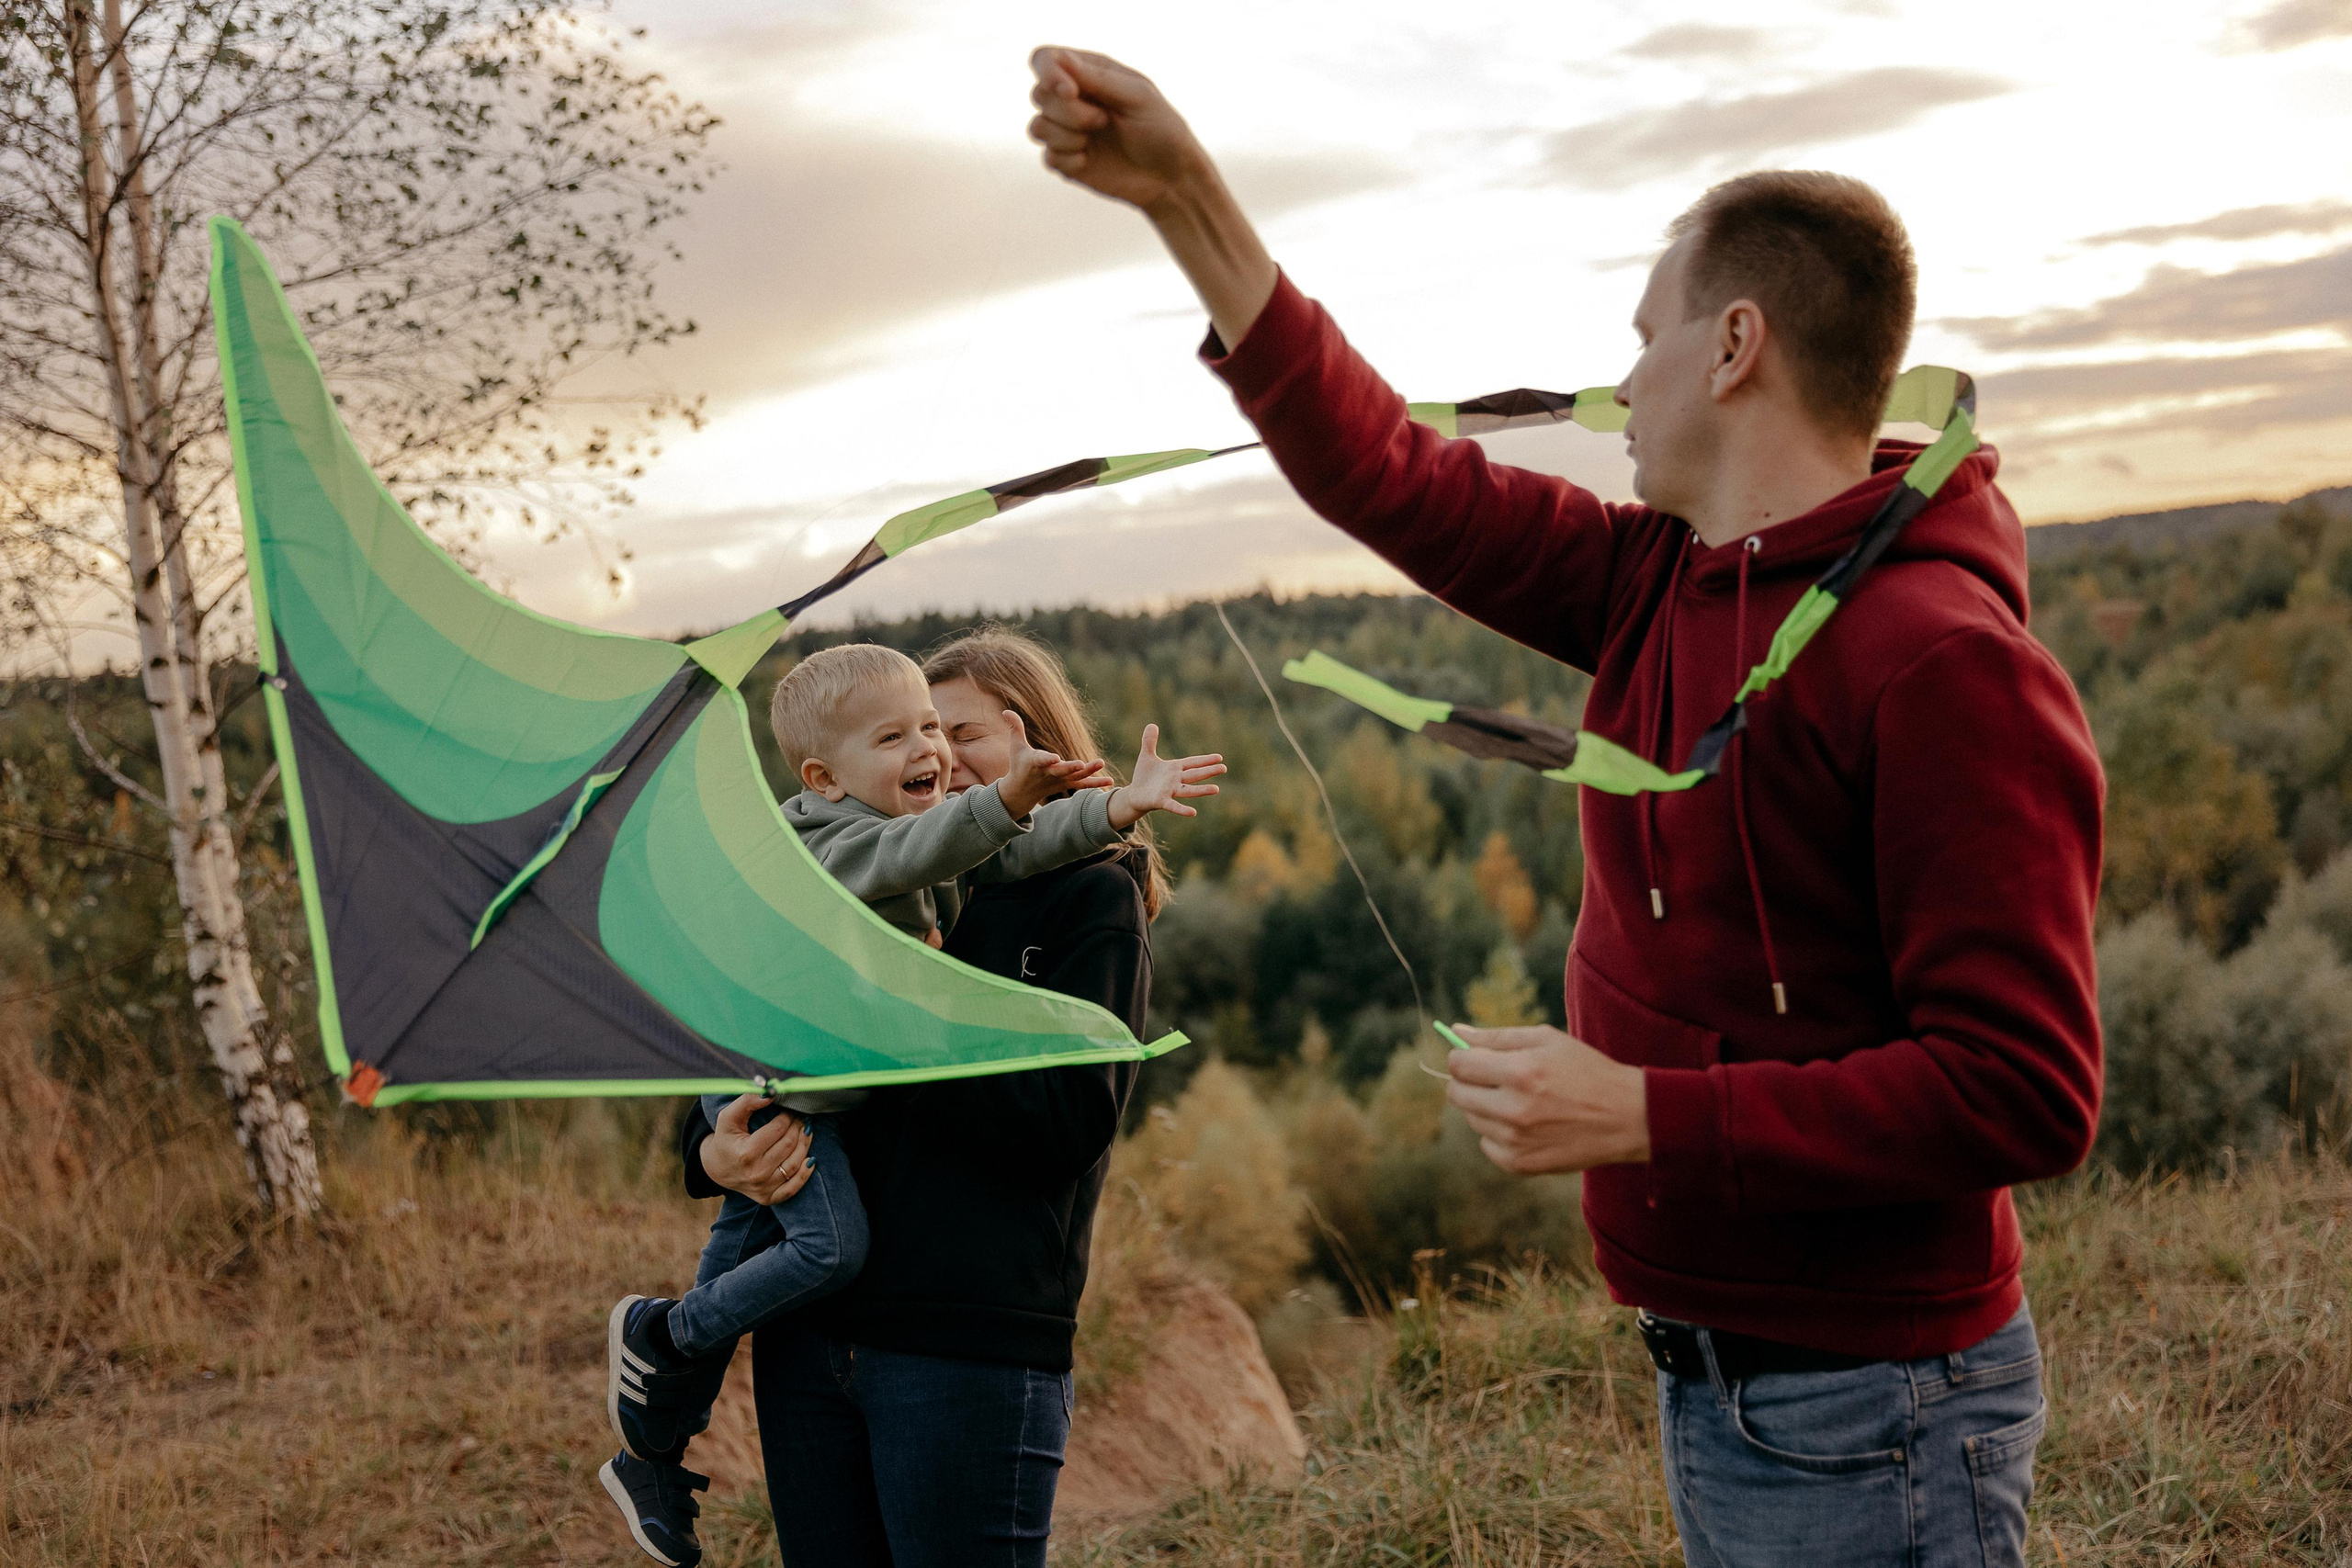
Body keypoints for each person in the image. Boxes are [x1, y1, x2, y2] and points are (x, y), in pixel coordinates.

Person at [1024, 47, 2104, 1568]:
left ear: (1737, 344)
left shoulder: (1946, 665)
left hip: (1879, 1407)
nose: (1618, 386)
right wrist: (1189, 200)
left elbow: (2025, 1090)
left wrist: (1645, 1112)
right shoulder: (1653, 577)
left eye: (1644, 338)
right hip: (1720, 1370)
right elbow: (1391, 472)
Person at [600, 640, 1220, 1567]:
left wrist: (902, 1031)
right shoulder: (891, 858)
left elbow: (1064, 1128)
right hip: (811, 1337)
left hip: (960, 1343)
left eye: (955, 730)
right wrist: (713, 1155)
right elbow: (740, 1055)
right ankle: (661, 1405)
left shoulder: (1078, 898)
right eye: (905, 732)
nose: (939, 755)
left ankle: (666, 1381)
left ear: (1034, 741)